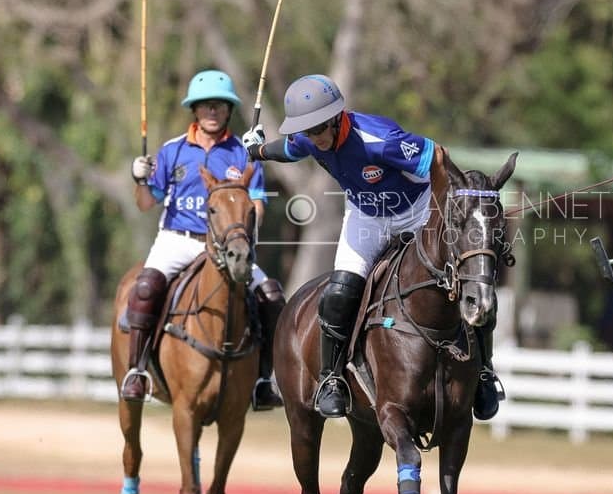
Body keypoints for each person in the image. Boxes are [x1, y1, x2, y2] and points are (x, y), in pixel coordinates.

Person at [241, 74, 505, 420]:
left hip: (417, 212)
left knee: (466, 280)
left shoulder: (378, 139)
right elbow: (287, 149)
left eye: (319, 128)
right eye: (308, 131)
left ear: (336, 117)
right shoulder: (309, 139)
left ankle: (484, 372)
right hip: (366, 217)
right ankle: (332, 379)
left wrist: (452, 207)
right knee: (338, 292)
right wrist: (256, 149)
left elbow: (437, 158)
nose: (315, 138)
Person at [122, 69, 285, 410]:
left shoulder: (244, 151)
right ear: (194, 110)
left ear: (229, 110)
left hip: (228, 244)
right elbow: (146, 203)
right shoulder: (172, 151)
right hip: (178, 239)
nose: (213, 111)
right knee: (145, 287)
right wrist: (139, 179)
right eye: (205, 105)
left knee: (271, 296)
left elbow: (257, 201)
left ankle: (262, 381)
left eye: (220, 105)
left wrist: (244, 233)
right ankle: (137, 371)